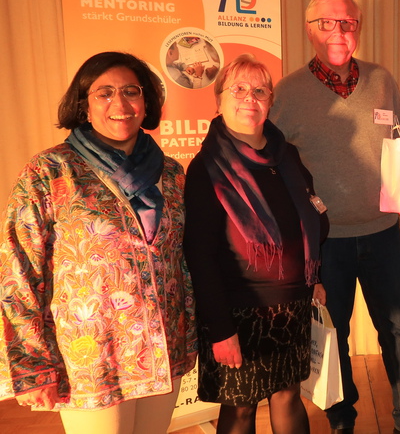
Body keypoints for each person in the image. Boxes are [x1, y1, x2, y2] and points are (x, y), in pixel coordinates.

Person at [0, 51, 197, 434]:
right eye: (104, 93)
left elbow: (181, 262)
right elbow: (17, 271)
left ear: (146, 102)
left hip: (163, 349)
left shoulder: (171, 172)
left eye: (131, 91)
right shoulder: (50, 172)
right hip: (90, 357)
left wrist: (191, 334)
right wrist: (31, 362)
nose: (119, 104)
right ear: (83, 106)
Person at [270, 0, 400, 434]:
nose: (338, 31)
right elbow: (272, 164)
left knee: (398, 333)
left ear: (358, 27)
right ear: (309, 29)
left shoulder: (381, 79)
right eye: (327, 22)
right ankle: (343, 422)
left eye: (348, 22)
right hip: (324, 243)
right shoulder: (288, 92)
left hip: (382, 233)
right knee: (333, 339)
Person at [183, 54, 327, 434]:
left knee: (288, 396)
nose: (250, 98)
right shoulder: (206, 168)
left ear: (270, 102)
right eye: (239, 89)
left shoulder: (288, 156)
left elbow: (310, 221)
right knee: (240, 408)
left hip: (292, 304)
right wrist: (220, 329)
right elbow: (199, 256)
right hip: (238, 310)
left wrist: (316, 278)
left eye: (260, 91)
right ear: (219, 99)